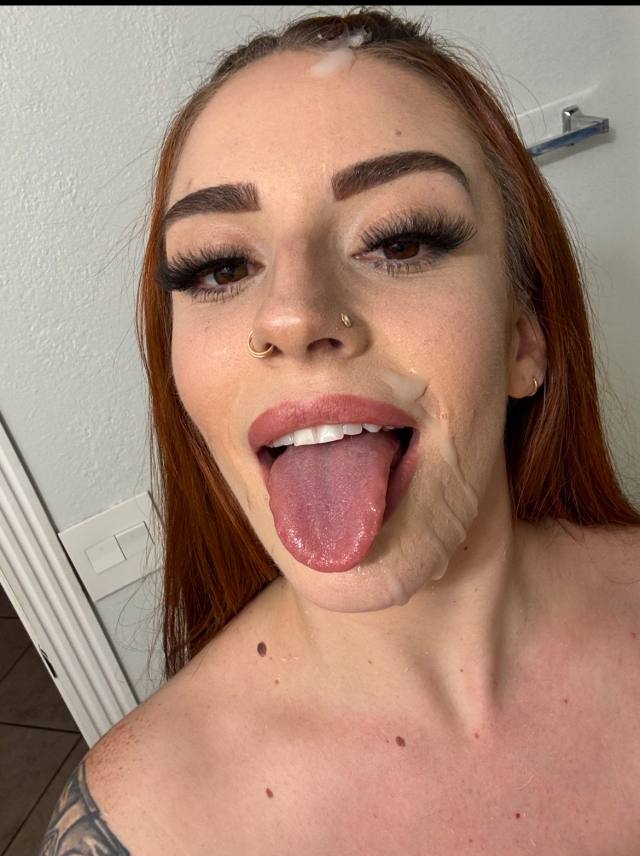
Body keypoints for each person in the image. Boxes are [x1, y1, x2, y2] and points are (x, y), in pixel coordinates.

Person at [39, 8, 640, 854]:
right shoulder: (141, 825)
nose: (291, 315)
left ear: (523, 339)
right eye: (220, 266)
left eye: (400, 242)